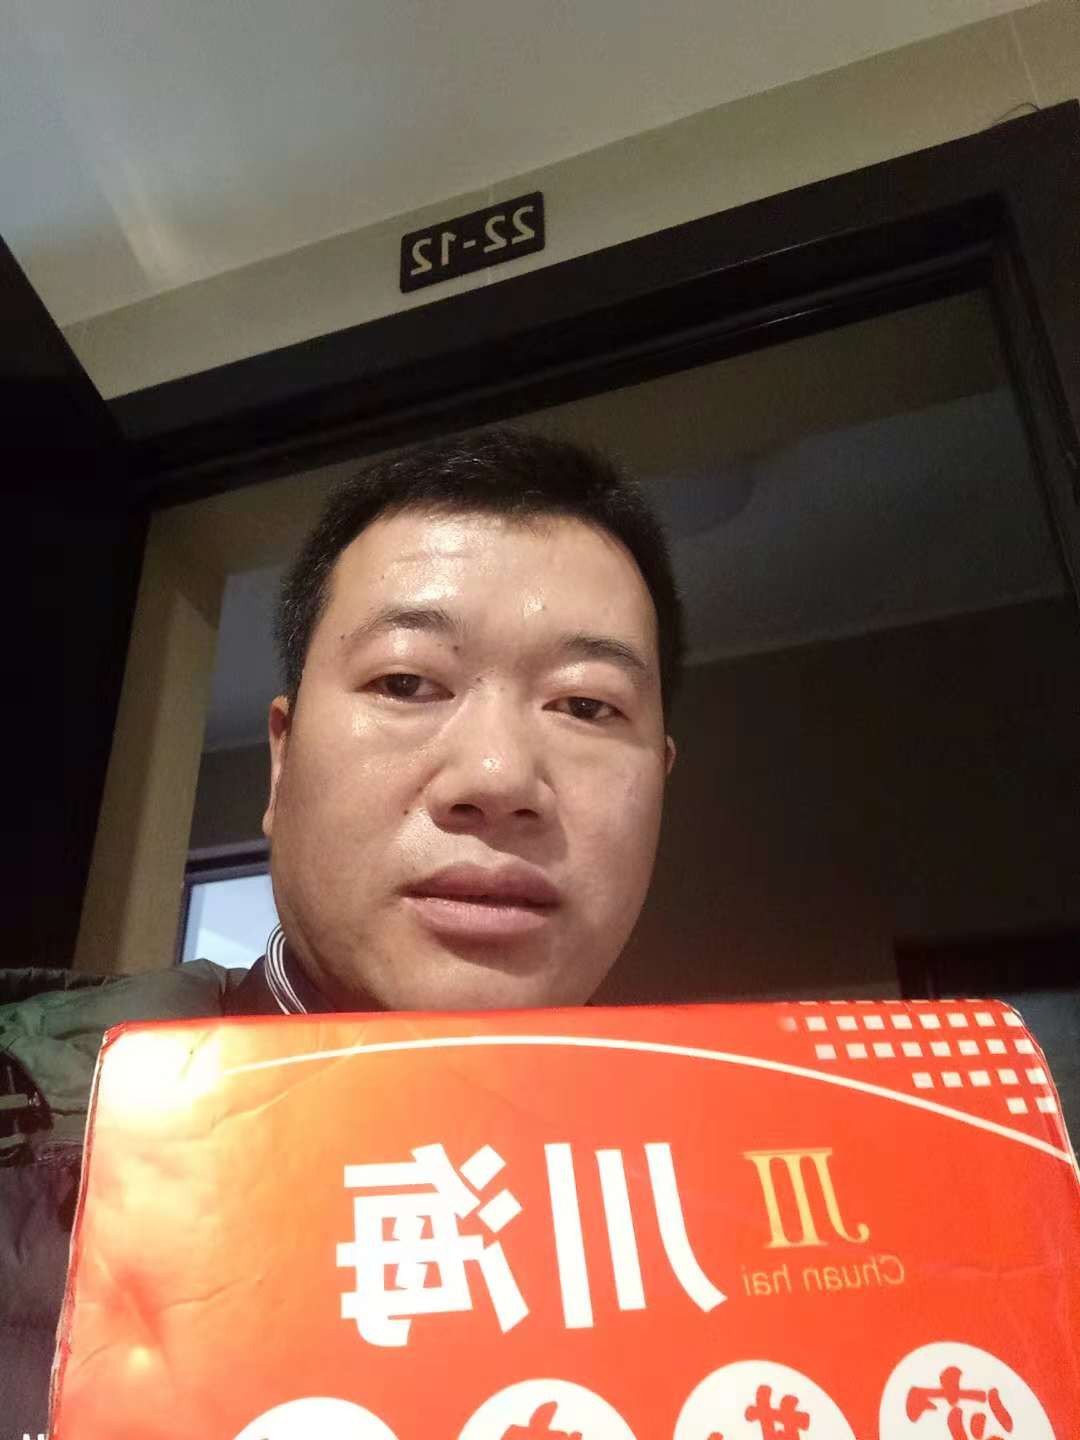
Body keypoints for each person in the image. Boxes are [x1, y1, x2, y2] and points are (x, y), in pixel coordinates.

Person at [0, 426, 684, 1433]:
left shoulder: (774, 1188)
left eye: (586, 705)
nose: (498, 777)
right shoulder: (26, 1129)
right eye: (407, 682)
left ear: (660, 784)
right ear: (281, 762)